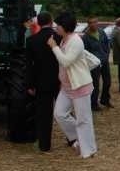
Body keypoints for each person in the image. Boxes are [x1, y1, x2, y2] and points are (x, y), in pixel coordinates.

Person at [47, 12, 97, 159]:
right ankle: (79, 139)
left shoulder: (76, 41)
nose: (56, 28)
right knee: (59, 114)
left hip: (79, 85)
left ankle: (88, 150)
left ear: (65, 27)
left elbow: (66, 61)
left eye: (58, 26)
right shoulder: (64, 39)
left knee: (84, 119)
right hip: (67, 87)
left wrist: (54, 47)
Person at [25, 11, 61, 152]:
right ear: (51, 22)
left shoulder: (31, 41)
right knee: (65, 112)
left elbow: (29, 66)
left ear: (38, 23)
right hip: (59, 81)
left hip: (41, 82)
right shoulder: (59, 37)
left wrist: (30, 84)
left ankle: (44, 145)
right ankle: (72, 139)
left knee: (44, 114)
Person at [83, 16, 113, 110]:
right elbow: (85, 52)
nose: (93, 24)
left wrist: (106, 55)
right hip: (94, 64)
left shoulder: (101, 32)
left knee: (107, 82)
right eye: (91, 23)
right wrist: (92, 62)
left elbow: (106, 45)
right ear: (88, 24)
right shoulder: (86, 36)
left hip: (104, 61)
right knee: (95, 85)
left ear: (97, 23)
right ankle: (93, 104)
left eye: (95, 22)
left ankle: (105, 100)